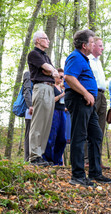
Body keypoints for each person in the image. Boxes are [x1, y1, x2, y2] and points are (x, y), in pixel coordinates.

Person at [64, 29, 111, 187]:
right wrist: (85, 93)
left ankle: (95, 172)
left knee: (96, 134)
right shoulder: (75, 57)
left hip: (88, 102)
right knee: (79, 136)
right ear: (84, 45)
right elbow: (69, 77)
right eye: (92, 42)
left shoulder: (84, 59)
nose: (94, 45)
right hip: (79, 99)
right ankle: (77, 175)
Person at [27, 31, 59, 166]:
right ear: (38, 40)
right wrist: (50, 70)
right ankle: (34, 156)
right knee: (38, 122)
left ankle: (40, 155)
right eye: (46, 39)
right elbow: (47, 69)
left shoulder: (45, 56)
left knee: (46, 124)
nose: (48, 41)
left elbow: (52, 73)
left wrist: (51, 71)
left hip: (50, 89)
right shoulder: (34, 54)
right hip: (41, 88)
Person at [89, 37, 109, 169]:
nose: (102, 48)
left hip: (102, 95)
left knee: (100, 128)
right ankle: (87, 159)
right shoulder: (88, 60)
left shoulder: (99, 62)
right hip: (92, 94)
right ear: (93, 46)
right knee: (89, 126)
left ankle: (97, 159)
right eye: (100, 46)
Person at [43, 69, 68, 165]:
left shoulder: (61, 88)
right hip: (54, 112)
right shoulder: (51, 87)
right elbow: (50, 100)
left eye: (63, 77)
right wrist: (62, 95)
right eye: (60, 76)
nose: (62, 79)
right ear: (55, 77)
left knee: (62, 138)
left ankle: (58, 160)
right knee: (52, 136)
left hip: (62, 112)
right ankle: (48, 159)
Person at [22, 71, 33, 162]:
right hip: (30, 109)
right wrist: (30, 105)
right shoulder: (28, 74)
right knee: (29, 133)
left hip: (39, 108)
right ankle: (27, 159)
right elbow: (26, 91)